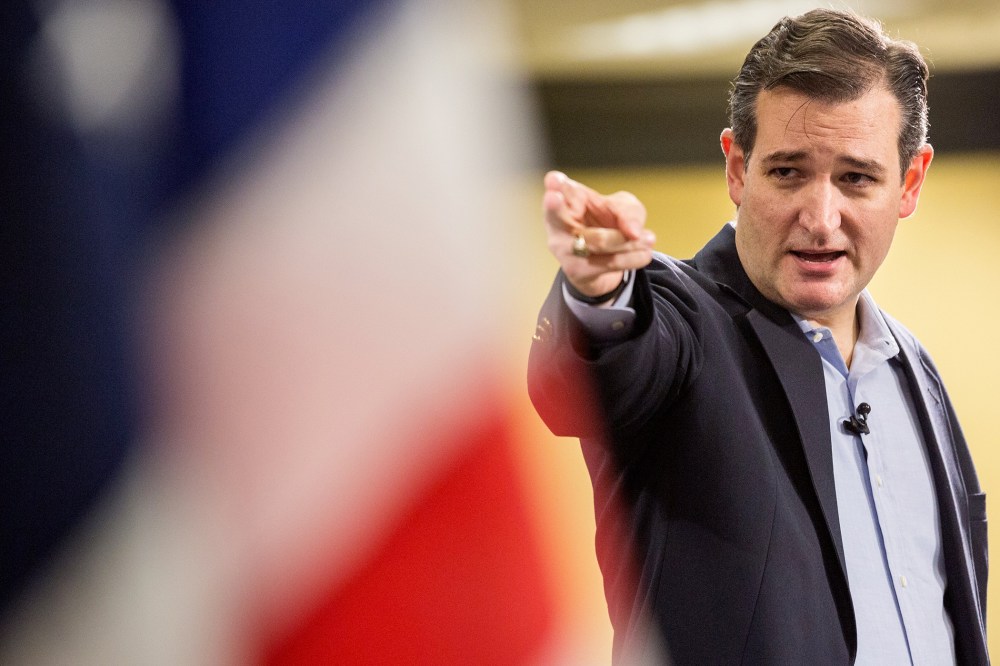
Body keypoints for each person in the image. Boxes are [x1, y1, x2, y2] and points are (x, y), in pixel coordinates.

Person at [527, 8, 988, 665]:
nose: (821, 219)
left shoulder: (914, 368)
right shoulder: (683, 321)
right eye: (788, 172)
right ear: (738, 169)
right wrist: (601, 292)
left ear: (909, 182)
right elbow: (604, 371)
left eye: (856, 178)